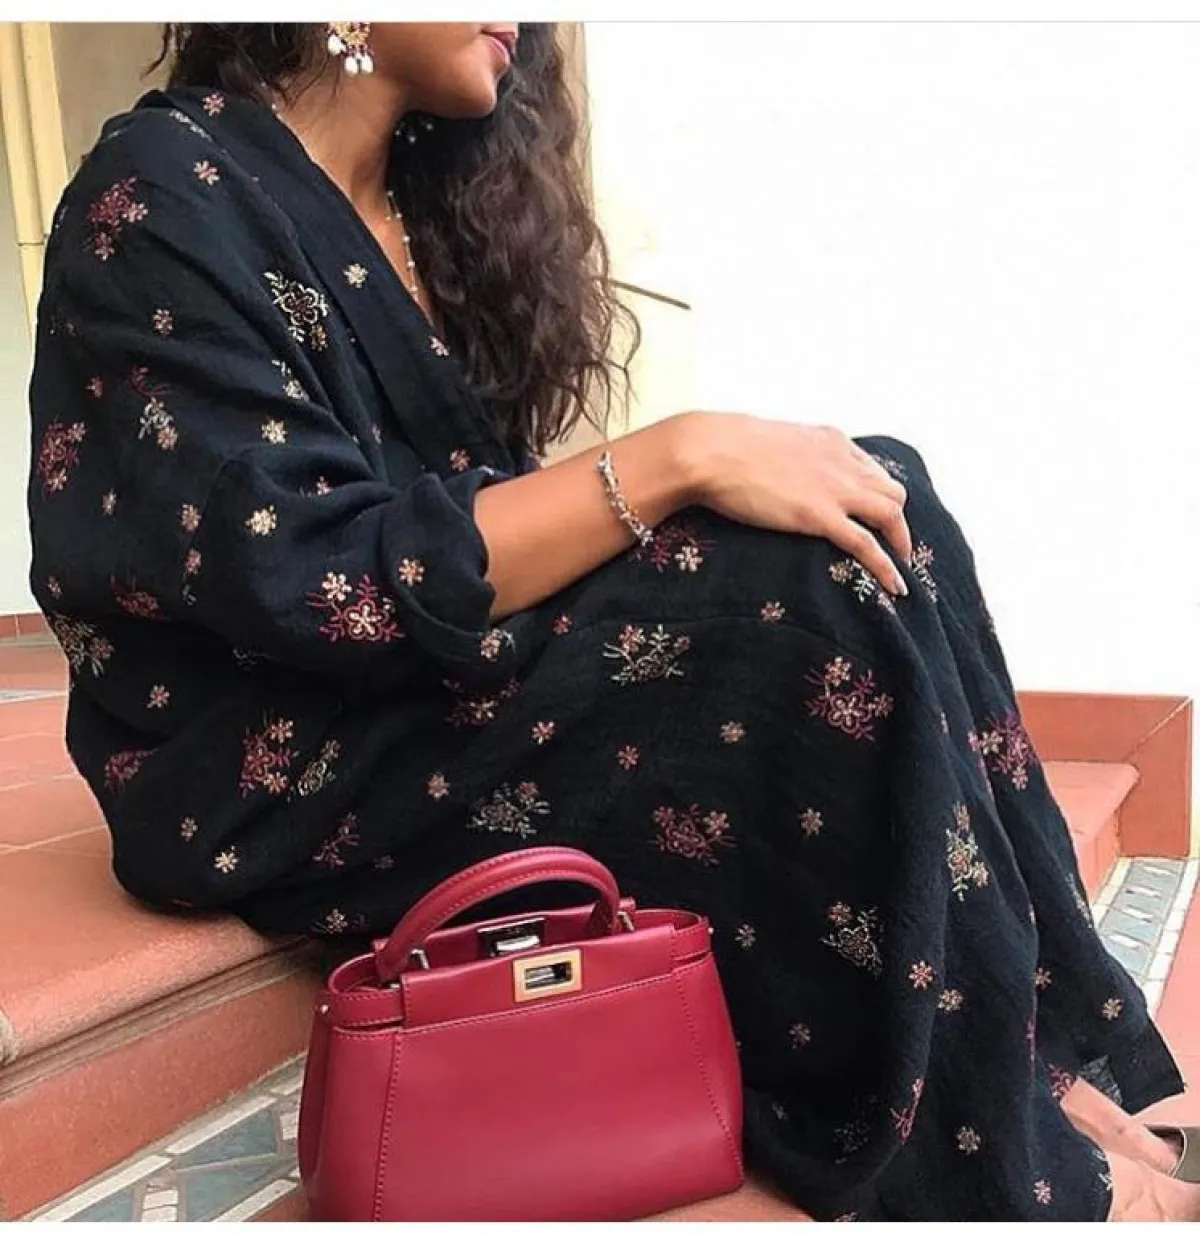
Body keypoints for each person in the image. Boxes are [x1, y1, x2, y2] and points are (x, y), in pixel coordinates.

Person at [25, 21, 1197, 1222]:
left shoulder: (419, 210)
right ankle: (1000, 1156)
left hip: (425, 665)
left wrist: (696, 478)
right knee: (803, 604)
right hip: (274, 755)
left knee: (879, 493)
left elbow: (467, 526)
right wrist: (679, 456)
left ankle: (1039, 1056)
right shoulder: (160, 193)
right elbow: (317, 576)